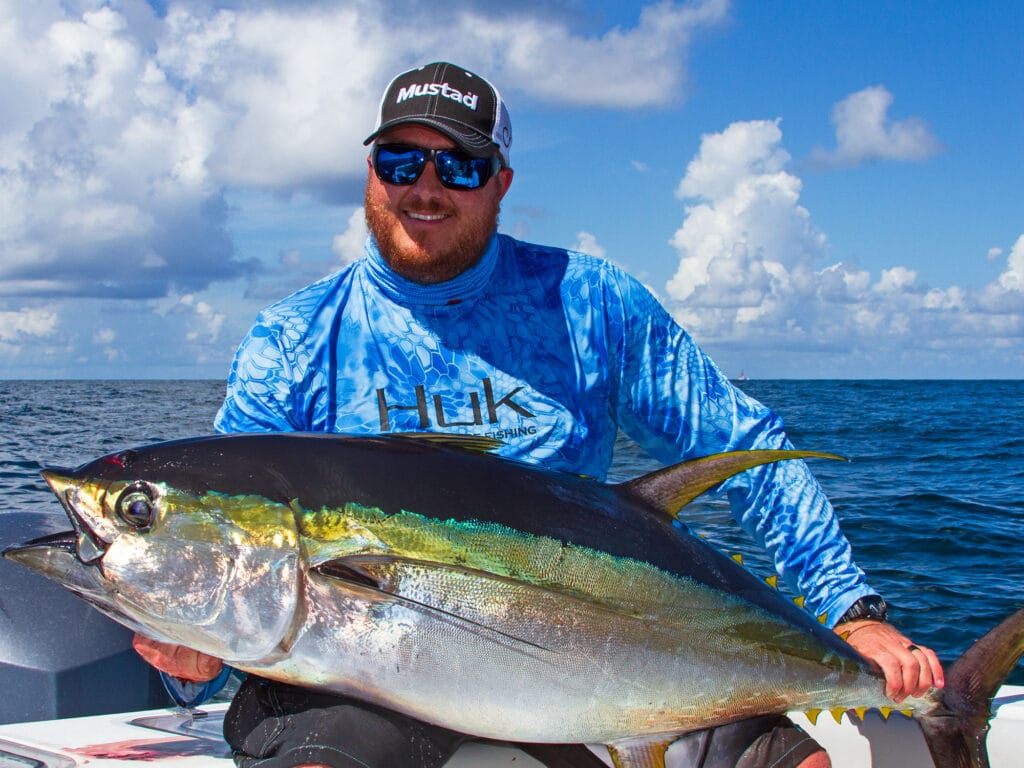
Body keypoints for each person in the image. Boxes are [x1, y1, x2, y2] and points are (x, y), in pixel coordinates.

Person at [134, 61, 943, 768]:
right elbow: (232, 563)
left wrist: (850, 611)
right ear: (370, 172)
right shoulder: (294, 340)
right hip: (363, 683)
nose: (425, 187)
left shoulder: (586, 304)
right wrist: (185, 660)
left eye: (461, 165)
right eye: (401, 160)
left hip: (596, 650)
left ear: (502, 182)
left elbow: (741, 442)